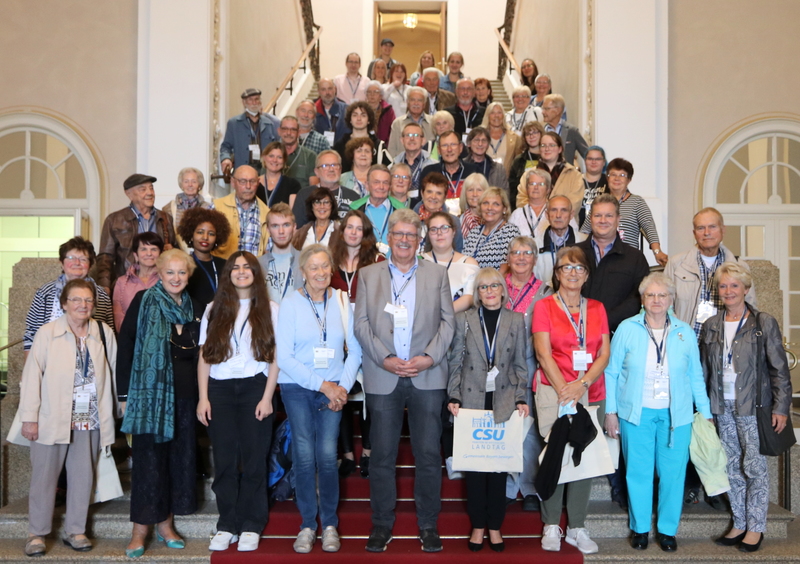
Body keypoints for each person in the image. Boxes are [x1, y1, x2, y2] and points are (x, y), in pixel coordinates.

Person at [354, 208, 455, 553]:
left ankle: (428, 524)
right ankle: (381, 524)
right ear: (390, 239)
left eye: (410, 236)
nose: (404, 241)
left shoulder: (437, 274)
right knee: (382, 455)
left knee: (428, 454)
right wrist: (387, 360)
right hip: (384, 375)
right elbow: (361, 326)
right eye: (398, 234)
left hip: (427, 376)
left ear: (419, 239)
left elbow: (448, 323)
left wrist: (428, 357)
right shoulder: (368, 275)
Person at [604, 272, 713, 553]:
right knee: (638, 473)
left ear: (671, 299)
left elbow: (695, 375)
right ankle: (640, 529)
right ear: (642, 299)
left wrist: (706, 411)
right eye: (650, 295)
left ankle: (667, 530)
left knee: (673, 474)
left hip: (676, 416)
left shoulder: (684, 332)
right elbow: (611, 373)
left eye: (662, 295)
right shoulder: (627, 329)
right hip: (635, 414)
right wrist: (611, 412)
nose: (656, 300)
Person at [16, 278, 117, 557]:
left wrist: (116, 411)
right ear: (64, 304)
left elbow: (114, 372)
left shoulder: (103, 332)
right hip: (52, 416)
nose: (82, 305)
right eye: (76, 299)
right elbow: (32, 376)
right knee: (44, 478)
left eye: (88, 300)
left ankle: (76, 530)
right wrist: (29, 417)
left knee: (83, 477)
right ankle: (36, 534)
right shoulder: (47, 332)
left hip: (90, 417)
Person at [700, 262, 792, 553]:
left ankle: (756, 527)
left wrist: (781, 407)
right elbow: (705, 371)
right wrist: (705, 409)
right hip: (721, 406)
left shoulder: (763, 322)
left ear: (746, 289)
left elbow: (779, 370)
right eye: (724, 286)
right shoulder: (712, 325)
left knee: (754, 468)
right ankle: (739, 522)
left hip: (752, 406)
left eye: (734, 286)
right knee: (730, 467)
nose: (728, 291)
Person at [276, 244, 362, 553]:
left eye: (325, 266)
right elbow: (283, 357)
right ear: (303, 272)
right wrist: (324, 385)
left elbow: (355, 349)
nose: (321, 272)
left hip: (335, 389)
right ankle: (306, 525)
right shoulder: (289, 304)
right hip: (298, 388)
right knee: (303, 455)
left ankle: (328, 525)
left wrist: (343, 387)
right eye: (314, 267)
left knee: (327, 457)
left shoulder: (341, 301)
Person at [117, 249, 203, 558]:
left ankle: (166, 525)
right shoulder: (144, 301)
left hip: (184, 398)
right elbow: (125, 347)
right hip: (149, 397)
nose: (176, 278)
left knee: (177, 462)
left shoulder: (196, 306)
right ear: (160, 274)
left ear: (188, 275)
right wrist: (124, 396)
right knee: (149, 463)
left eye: (181, 273)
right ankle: (140, 530)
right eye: (170, 273)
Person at [197, 252, 279, 553]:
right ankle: (227, 523)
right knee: (226, 461)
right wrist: (203, 397)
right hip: (219, 390)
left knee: (255, 460)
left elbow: (275, 358)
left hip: (254, 388)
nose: (241, 272)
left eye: (247, 267)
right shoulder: (213, 309)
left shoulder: (270, 309)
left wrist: (268, 396)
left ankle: (251, 524)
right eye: (235, 267)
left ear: (255, 273)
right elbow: (204, 357)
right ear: (228, 274)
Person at [533, 246, 610, 554]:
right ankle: (551, 524)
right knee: (555, 455)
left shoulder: (598, 308)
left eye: (579, 268)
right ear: (557, 273)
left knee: (583, 457)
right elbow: (543, 352)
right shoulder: (544, 306)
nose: (573, 273)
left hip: (590, 390)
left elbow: (604, 353)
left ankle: (576, 526)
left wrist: (582, 384)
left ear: (587, 275)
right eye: (567, 268)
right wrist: (566, 388)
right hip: (555, 390)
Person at [447, 268, 529, 552]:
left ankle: (495, 526)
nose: (490, 291)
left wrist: (522, 398)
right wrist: (453, 395)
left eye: (495, 286)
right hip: (471, 401)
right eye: (483, 287)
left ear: (503, 290)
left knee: (498, 469)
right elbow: (455, 361)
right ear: (478, 293)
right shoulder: (464, 320)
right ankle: (478, 525)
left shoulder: (517, 320)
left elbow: (520, 364)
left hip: (503, 401)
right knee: (476, 470)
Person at [329, 211, 384, 478]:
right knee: (341, 392)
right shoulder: (328, 261)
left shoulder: (378, 261)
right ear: (341, 231)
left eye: (358, 228)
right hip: (336, 337)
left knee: (371, 393)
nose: (353, 232)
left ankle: (369, 452)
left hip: (369, 333)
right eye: (348, 227)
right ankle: (347, 454)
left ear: (365, 233)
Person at [502, 237, 552, 509]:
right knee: (504, 423)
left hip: (533, 364)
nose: (521, 257)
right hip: (498, 367)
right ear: (508, 257)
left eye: (527, 253)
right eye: (515, 252)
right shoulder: (496, 287)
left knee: (530, 425)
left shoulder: (545, 291)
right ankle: (508, 486)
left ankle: (530, 487)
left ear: (535, 258)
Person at [665, 207, 756, 336]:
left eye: (712, 227)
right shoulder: (677, 264)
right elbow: (665, 305)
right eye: (701, 228)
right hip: (687, 340)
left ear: (723, 230)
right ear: (694, 233)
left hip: (724, 342)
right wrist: (678, 333)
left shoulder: (739, 266)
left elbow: (750, 307)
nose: (707, 233)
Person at [24, 236, 114, 357]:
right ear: (62, 262)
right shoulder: (45, 292)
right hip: (50, 360)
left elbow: (109, 334)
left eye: (83, 259)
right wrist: (30, 369)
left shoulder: (101, 295)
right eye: (71, 258)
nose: (77, 263)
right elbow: (31, 333)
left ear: (90, 264)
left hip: (90, 361)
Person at [576, 194, 649, 332]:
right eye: (598, 215)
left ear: (618, 219)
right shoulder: (573, 254)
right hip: (576, 334)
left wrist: (605, 320)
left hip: (619, 336)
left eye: (609, 215)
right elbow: (562, 293)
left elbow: (639, 298)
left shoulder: (635, 258)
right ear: (590, 219)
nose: (603, 220)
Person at [96, 174, 177, 291]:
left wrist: (172, 250)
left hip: (160, 284)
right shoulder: (114, 220)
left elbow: (175, 251)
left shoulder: (165, 218)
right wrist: (105, 286)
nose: (150, 193)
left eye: (151, 188)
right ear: (129, 194)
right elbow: (105, 257)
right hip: (127, 285)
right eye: (143, 189)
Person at [581, 157, 667, 265]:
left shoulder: (637, 202)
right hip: (601, 260)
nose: (617, 178)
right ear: (607, 178)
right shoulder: (599, 202)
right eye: (613, 174)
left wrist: (657, 252)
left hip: (627, 259)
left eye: (622, 175)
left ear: (629, 180)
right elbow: (585, 231)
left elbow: (649, 227)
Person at [517, 132, 584, 217]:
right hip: (533, 225)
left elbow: (574, 204)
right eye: (543, 145)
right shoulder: (528, 175)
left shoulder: (574, 175)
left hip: (564, 225)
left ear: (560, 149)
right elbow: (521, 200)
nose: (547, 149)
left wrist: (553, 217)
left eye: (552, 145)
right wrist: (539, 217)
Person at [423, 211, 479, 314]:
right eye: (433, 229)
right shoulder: (419, 262)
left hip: (457, 325)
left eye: (444, 228)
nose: (439, 233)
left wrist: (441, 314)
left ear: (453, 232)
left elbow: (469, 297)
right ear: (429, 235)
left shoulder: (469, 264)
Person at [211, 165, 269, 259]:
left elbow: (269, 253)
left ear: (258, 183)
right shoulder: (216, 208)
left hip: (254, 271)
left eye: (252, 181)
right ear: (233, 182)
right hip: (223, 270)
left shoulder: (267, 214)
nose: (248, 186)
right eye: (243, 181)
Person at [178, 207, 231, 307]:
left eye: (211, 234)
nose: (205, 237)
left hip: (219, 318)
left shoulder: (225, 265)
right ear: (191, 235)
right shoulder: (183, 264)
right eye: (200, 232)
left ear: (217, 238)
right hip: (193, 319)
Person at [292, 151, 361, 227]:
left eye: (335, 165)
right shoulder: (304, 194)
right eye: (325, 166)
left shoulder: (354, 196)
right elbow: (297, 228)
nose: (331, 169)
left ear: (340, 169)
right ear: (316, 172)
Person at [220, 88, 280, 173]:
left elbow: (278, 147)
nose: (254, 103)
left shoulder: (270, 124)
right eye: (250, 100)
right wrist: (225, 158)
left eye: (257, 99)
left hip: (265, 170)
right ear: (244, 103)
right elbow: (226, 146)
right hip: (243, 170)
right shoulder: (234, 123)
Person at [112, 232, 163, 331]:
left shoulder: (167, 280)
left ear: (160, 254)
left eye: (154, 249)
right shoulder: (122, 282)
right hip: (131, 340)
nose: (149, 253)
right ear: (136, 255)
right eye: (143, 249)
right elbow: (118, 317)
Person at [420, 130, 479, 214]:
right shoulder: (429, 172)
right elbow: (422, 202)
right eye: (445, 145)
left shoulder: (474, 171)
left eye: (453, 144)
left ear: (461, 147)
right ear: (439, 150)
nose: (449, 149)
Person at [463, 188, 521, 269]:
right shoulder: (474, 232)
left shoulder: (509, 231)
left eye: (496, 204)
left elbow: (507, 268)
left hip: (496, 281)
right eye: (486, 203)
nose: (489, 208)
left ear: (504, 209)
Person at [535, 195, 587, 287]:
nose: (558, 215)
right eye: (554, 210)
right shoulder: (534, 245)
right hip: (544, 299)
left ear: (571, 215)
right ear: (547, 215)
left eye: (564, 210)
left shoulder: (585, 242)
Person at [350, 165, 404, 249]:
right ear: (367, 185)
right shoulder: (355, 209)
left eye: (385, 183)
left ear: (390, 186)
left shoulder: (402, 211)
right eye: (376, 182)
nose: (381, 187)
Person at [258, 203, 303, 305]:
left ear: (294, 227)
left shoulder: (305, 261)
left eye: (286, 225)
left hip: (297, 319)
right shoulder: (258, 264)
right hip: (267, 319)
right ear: (268, 230)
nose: (281, 231)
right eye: (275, 226)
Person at [415, 172, 464, 252]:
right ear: (422, 193)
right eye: (429, 192)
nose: (433, 197)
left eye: (438, 193)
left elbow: (458, 252)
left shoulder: (454, 222)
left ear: (445, 197)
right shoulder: (409, 220)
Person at [166, 167, 210, 252]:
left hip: (201, 254)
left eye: (194, 181)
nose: (190, 185)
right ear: (181, 185)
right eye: (186, 181)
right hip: (177, 255)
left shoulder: (208, 208)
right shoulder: (169, 208)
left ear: (199, 185)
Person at [333, 102, 382, 172]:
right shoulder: (340, 145)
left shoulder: (378, 145)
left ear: (369, 120)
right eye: (355, 115)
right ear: (350, 120)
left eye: (363, 115)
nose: (359, 118)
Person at [508, 121, 546, 209]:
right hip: (522, 206)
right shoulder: (518, 161)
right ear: (524, 138)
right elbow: (513, 189)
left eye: (535, 132)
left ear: (541, 134)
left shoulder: (548, 158)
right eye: (528, 134)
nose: (532, 136)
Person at [541, 93, 587, 166]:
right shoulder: (541, 131)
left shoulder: (571, 131)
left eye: (547, 109)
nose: (543, 112)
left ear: (558, 110)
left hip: (566, 174)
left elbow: (587, 154)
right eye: (543, 108)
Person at [391, 121, 436, 195]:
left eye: (416, 135)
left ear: (423, 141)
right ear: (402, 140)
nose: (412, 138)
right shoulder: (393, 165)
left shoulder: (433, 166)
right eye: (408, 135)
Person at [387, 87, 433, 158]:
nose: (416, 103)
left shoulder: (433, 122)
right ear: (407, 102)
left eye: (419, 100)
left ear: (424, 104)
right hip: (402, 165)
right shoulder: (397, 123)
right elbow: (392, 150)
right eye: (412, 100)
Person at [509, 169, 555, 239]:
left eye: (541, 184)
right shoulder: (517, 214)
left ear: (548, 189)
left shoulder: (557, 212)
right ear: (527, 188)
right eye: (532, 184)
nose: (536, 187)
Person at [256, 141, 302, 208]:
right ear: (264, 157)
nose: (275, 160)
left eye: (279, 157)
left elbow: (293, 213)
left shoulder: (293, 185)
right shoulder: (254, 183)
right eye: (271, 156)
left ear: (284, 160)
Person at [482, 102, 523, 175]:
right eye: (492, 113)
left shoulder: (515, 138)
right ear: (487, 116)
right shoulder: (479, 136)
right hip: (483, 180)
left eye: (499, 113)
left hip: (505, 181)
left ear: (503, 116)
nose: (496, 116)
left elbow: (518, 163)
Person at [463, 128, 509, 193]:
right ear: (469, 144)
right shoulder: (461, 166)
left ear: (488, 145)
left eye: (484, 141)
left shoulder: (499, 169)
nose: (480, 144)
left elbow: (504, 196)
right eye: (476, 140)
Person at [277, 116, 317, 186]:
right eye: (285, 129)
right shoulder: (270, 155)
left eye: (293, 130)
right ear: (279, 131)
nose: (288, 133)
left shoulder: (310, 156)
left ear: (299, 133)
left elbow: (314, 188)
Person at [579, 146, 608, 227]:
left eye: (598, 159)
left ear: (604, 162)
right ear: (585, 161)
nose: (593, 162)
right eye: (590, 159)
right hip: (579, 229)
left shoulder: (610, 182)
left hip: (603, 226)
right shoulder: (575, 181)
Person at [314, 79, 349, 145]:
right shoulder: (313, 112)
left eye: (330, 88)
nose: (327, 92)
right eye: (323, 89)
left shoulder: (346, 110)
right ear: (318, 91)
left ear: (335, 89)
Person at [458, 172, 487, 239]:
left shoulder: (492, 219)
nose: (475, 194)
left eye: (479, 190)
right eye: (470, 190)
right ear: (465, 194)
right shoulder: (458, 222)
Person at [366, 81, 396, 145]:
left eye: (375, 92)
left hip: (384, 145)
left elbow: (393, 130)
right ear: (366, 95)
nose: (372, 94)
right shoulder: (361, 109)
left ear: (380, 95)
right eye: (369, 92)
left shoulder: (388, 110)